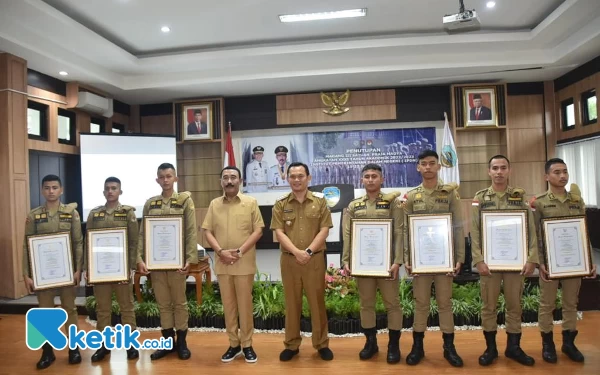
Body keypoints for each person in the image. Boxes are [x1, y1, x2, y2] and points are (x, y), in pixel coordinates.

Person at [471, 155, 538, 366]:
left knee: (514, 305)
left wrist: (531, 259)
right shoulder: (480, 198)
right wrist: (479, 259)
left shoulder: (519, 197)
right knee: (489, 306)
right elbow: (474, 230)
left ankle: (513, 348)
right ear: (488, 171)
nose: (499, 172)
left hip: (515, 262)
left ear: (509, 171)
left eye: (503, 168)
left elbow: (531, 229)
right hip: (489, 264)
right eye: (495, 168)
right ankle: (491, 349)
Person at [530, 158, 597, 363]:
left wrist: (589, 261)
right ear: (546, 176)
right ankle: (547, 343)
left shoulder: (577, 200)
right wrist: (540, 262)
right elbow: (535, 236)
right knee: (546, 303)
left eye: (565, 172)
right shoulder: (539, 202)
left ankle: (569, 343)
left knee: (571, 303)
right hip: (550, 264)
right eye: (557, 172)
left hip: (574, 262)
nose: (562, 176)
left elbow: (584, 233)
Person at [403, 150, 465, 367]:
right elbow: (406, 231)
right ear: (418, 167)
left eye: (432, 163)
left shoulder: (450, 194)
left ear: (439, 166)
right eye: (423, 164)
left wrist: (459, 257)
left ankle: (449, 348)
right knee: (420, 303)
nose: (428, 167)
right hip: (421, 261)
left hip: (444, 260)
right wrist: (407, 258)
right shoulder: (411, 196)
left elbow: (458, 226)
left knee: (445, 303)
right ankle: (417, 347)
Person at [270, 162, 333, 361]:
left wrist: (307, 251)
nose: (297, 180)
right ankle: (291, 344)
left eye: (300, 176)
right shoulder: (281, 203)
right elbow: (279, 232)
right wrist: (297, 252)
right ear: (287, 178)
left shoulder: (320, 201)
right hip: (289, 261)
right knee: (292, 303)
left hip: (314, 260)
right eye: (293, 176)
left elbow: (324, 229)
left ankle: (321, 344)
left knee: (317, 303)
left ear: (309, 178)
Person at [342, 164, 403, 364]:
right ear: (362, 180)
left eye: (374, 176)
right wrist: (347, 261)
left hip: (387, 266)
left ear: (382, 179)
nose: (370, 179)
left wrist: (397, 261)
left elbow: (398, 232)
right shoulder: (354, 206)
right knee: (366, 304)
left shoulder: (392, 203)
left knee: (393, 305)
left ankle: (394, 345)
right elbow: (348, 235)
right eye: (367, 176)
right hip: (363, 266)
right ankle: (371, 342)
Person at [202, 166, 264, 363]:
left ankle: (247, 345)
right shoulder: (214, 204)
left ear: (240, 180)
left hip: (243, 262)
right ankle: (233, 344)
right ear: (221, 181)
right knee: (228, 306)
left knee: (244, 306)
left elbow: (258, 230)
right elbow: (207, 231)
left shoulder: (250, 202)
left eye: (233, 177)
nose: (229, 181)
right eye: (225, 178)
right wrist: (220, 252)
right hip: (223, 263)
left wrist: (238, 251)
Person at [137, 163, 198, 360]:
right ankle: (167, 342)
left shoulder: (184, 201)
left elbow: (190, 230)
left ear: (175, 179)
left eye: (169, 176)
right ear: (157, 180)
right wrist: (139, 258)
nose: (165, 180)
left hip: (177, 263)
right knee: (163, 303)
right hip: (156, 264)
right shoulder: (150, 204)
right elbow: (142, 234)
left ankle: (181, 343)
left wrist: (190, 258)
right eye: (162, 177)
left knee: (179, 303)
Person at [22, 174, 83, 369]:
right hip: (43, 276)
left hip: (66, 273)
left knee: (70, 309)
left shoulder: (71, 213)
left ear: (61, 190)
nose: (50, 191)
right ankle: (47, 352)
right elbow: (26, 246)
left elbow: (78, 243)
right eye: (47, 188)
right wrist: (26, 274)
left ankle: (74, 349)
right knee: (45, 313)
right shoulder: (33, 216)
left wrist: (78, 269)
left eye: (54, 187)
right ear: (42, 190)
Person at [87, 177, 140, 362]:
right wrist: (89, 268)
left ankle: (131, 345)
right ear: (103, 192)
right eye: (107, 188)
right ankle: (103, 346)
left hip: (122, 271)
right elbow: (89, 243)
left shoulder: (128, 214)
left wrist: (131, 267)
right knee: (103, 310)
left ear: (120, 192)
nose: (110, 191)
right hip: (101, 272)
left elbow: (134, 242)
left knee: (127, 308)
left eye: (114, 188)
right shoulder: (94, 215)